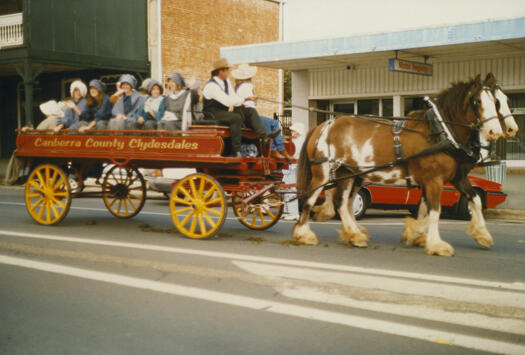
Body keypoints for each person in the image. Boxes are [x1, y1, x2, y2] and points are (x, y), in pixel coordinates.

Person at [202, 58, 273, 157]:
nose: (229, 72)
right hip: (212, 113)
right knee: (235, 118)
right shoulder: (211, 86)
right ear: (221, 71)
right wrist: (245, 99)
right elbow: (227, 101)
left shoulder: (226, 82)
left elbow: (233, 97)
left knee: (249, 111)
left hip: (223, 112)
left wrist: (245, 100)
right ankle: (235, 150)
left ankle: (264, 137)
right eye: (227, 70)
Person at [232, 63, 292, 161]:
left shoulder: (239, 86)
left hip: (247, 114)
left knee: (274, 122)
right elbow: (249, 106)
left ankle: (279, 150)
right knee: (270, 124)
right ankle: (276, 150)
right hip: (247, 116)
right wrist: (252, 99)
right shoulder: (246, 86)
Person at [282, 122, 306, 221]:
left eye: (293, 130)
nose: (291, 132)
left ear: (298, 132)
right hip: (291, 166)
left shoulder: (299, 141)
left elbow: (294, 154)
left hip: (293, 167)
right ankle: (287, 210)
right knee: (287, 189)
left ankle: (293, 213)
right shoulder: (298, 141)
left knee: (291, 189)